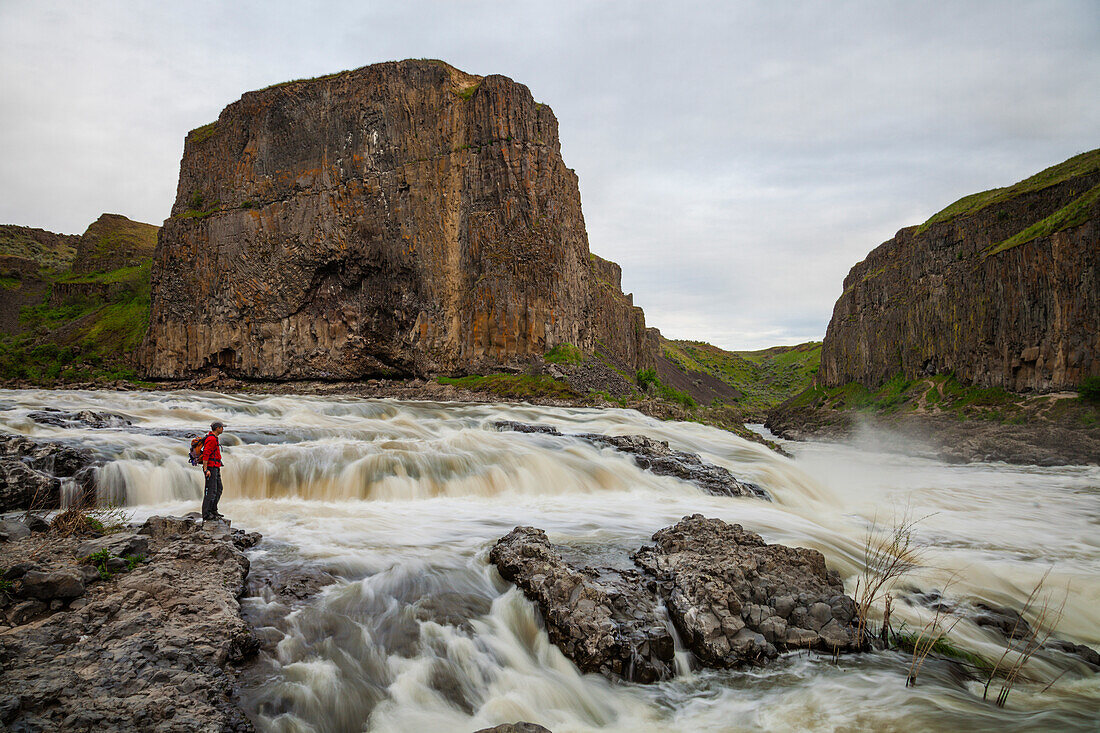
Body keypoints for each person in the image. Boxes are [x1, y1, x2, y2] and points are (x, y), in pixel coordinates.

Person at [201, 421, 226, 521]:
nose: (223, 429)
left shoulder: (214, 438)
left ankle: (213, 510)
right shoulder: (211, 439)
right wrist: (206, 469)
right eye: (222, 427)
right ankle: (206, 514)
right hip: (210, 468)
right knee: (210, 491)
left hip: (216, 466)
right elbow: (206, 454)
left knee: (219, 489)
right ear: (217, 428)